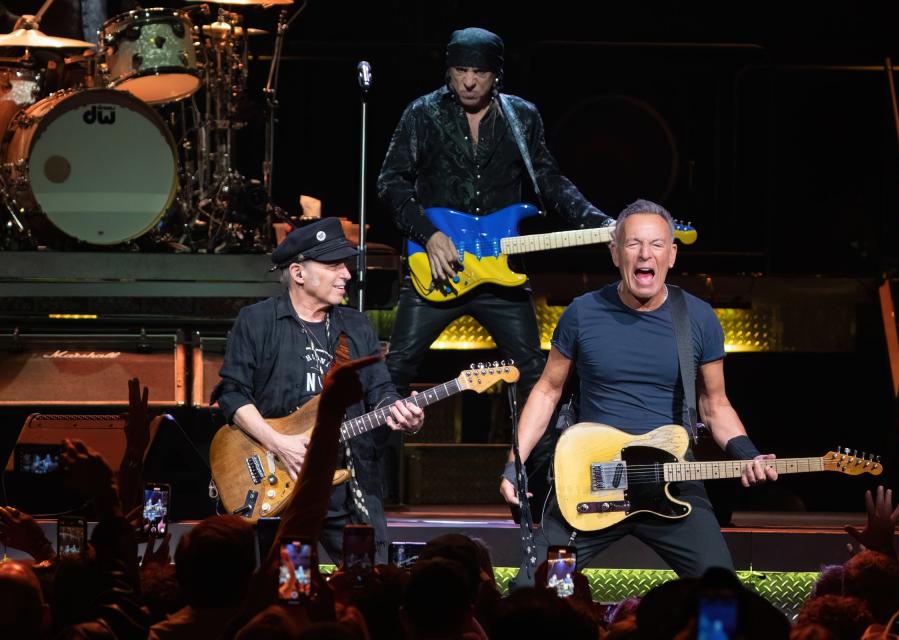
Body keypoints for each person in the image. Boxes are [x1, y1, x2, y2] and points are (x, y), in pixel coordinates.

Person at [500, 198, 779, 581]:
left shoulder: (697, 318)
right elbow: (547, 392)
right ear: (615, 253)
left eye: (657, 244)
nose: (645, 254)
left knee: (721, 596)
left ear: (672, 255)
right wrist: (514, 465)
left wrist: (746, 452)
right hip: (593, 484)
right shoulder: (582, 313)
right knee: (538, 588)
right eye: (633, 244)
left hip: (673, 482)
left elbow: (714, 404)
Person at [377, 26, 613, 402]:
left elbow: (550, 181)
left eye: (480, 72)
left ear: (497, 74)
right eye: (460, 71)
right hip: (437, 269)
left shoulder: (522, 117)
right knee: (395, 372)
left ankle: (536, 462)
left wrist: (602, 223)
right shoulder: (422, 114)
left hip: (502, 274)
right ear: (448, 70)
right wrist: (429, 234)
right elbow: (391, 182)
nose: (469, 82)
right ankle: (374, 460)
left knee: (534, 374)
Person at [212, 218, 424, 563]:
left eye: (345, 265)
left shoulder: (356, 326)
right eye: (333, 265)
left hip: (346, 485)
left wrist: (402, 412)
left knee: (367, 581)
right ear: (298, 273)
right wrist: (279, 442)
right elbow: (232, 394)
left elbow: (381, 390)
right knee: (285, 587)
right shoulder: (257, 321)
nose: (346, 274)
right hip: (278, 481)